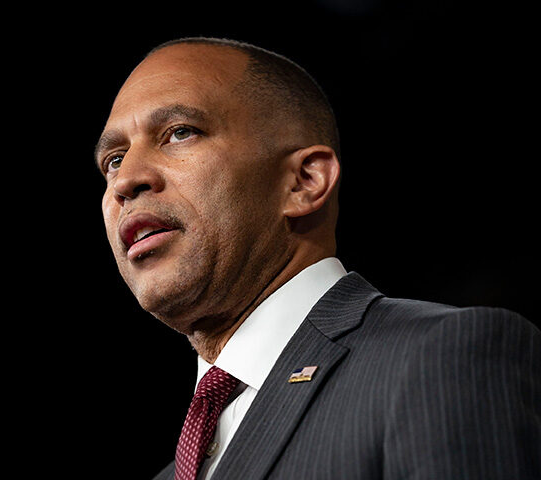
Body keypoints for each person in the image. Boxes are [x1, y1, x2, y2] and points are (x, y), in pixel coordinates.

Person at [95, 37, 540, 480]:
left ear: (304, 181)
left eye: (180, 132)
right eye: (114, 160)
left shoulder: (440, 360)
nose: (126, 181)